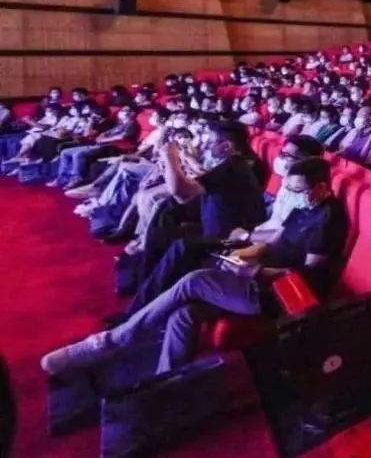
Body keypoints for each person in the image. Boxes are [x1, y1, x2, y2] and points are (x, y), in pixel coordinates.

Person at [42, 156, 348, 377]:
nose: (291, 195)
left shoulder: (329, 220)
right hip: (258, 277)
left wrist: (260, 272)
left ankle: (111, 341)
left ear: (321, 188)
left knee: (196, 280)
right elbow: (278, 245)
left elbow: (308, 278)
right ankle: (167, 382)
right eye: (289, 188)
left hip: (278, 296)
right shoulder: (302, 208)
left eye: (298, 190)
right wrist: (247, 253)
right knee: (183, 315)